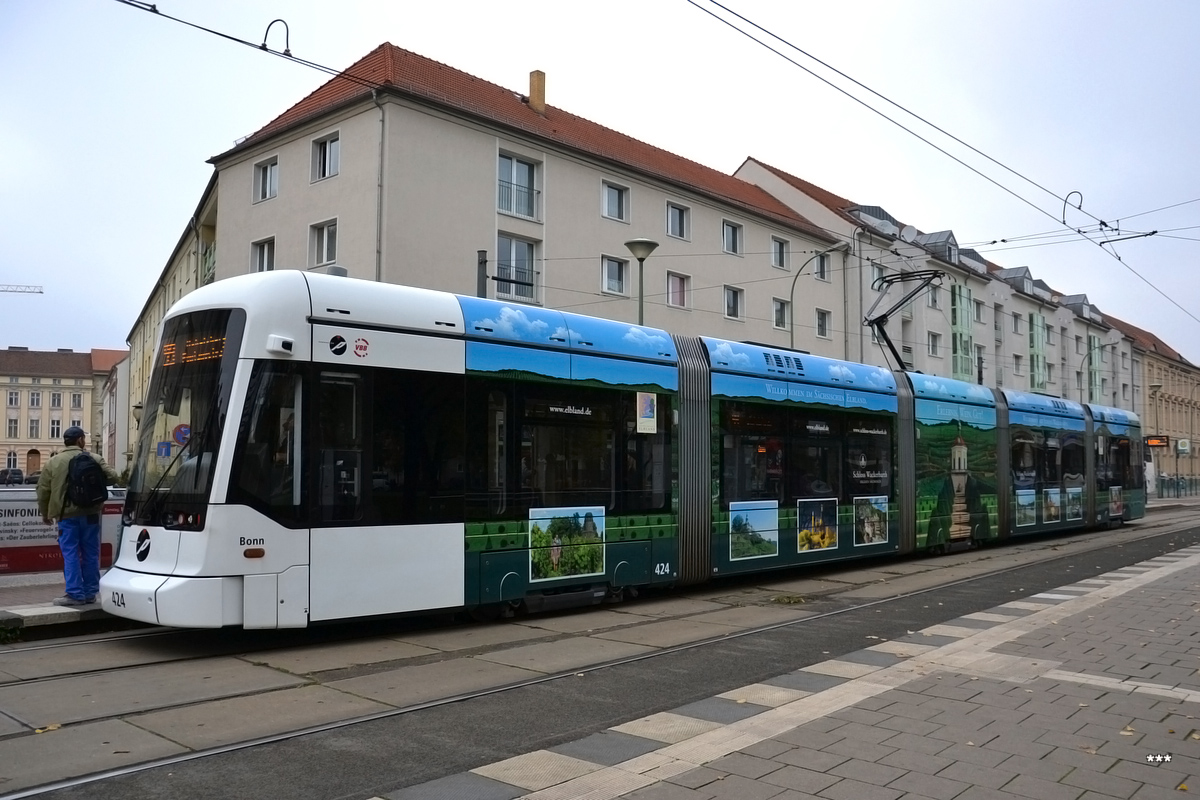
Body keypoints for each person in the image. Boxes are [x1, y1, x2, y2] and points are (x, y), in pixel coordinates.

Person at [36, 427, 119, 606]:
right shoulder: (94, 458)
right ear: (80, 440)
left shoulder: (53, 462)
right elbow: (113, 477)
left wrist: (45, 513)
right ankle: (90, 592)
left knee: (71, 553)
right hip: (91, 513)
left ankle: (74, 593)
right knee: (91, 553)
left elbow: (43, 491)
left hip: (67, 516)